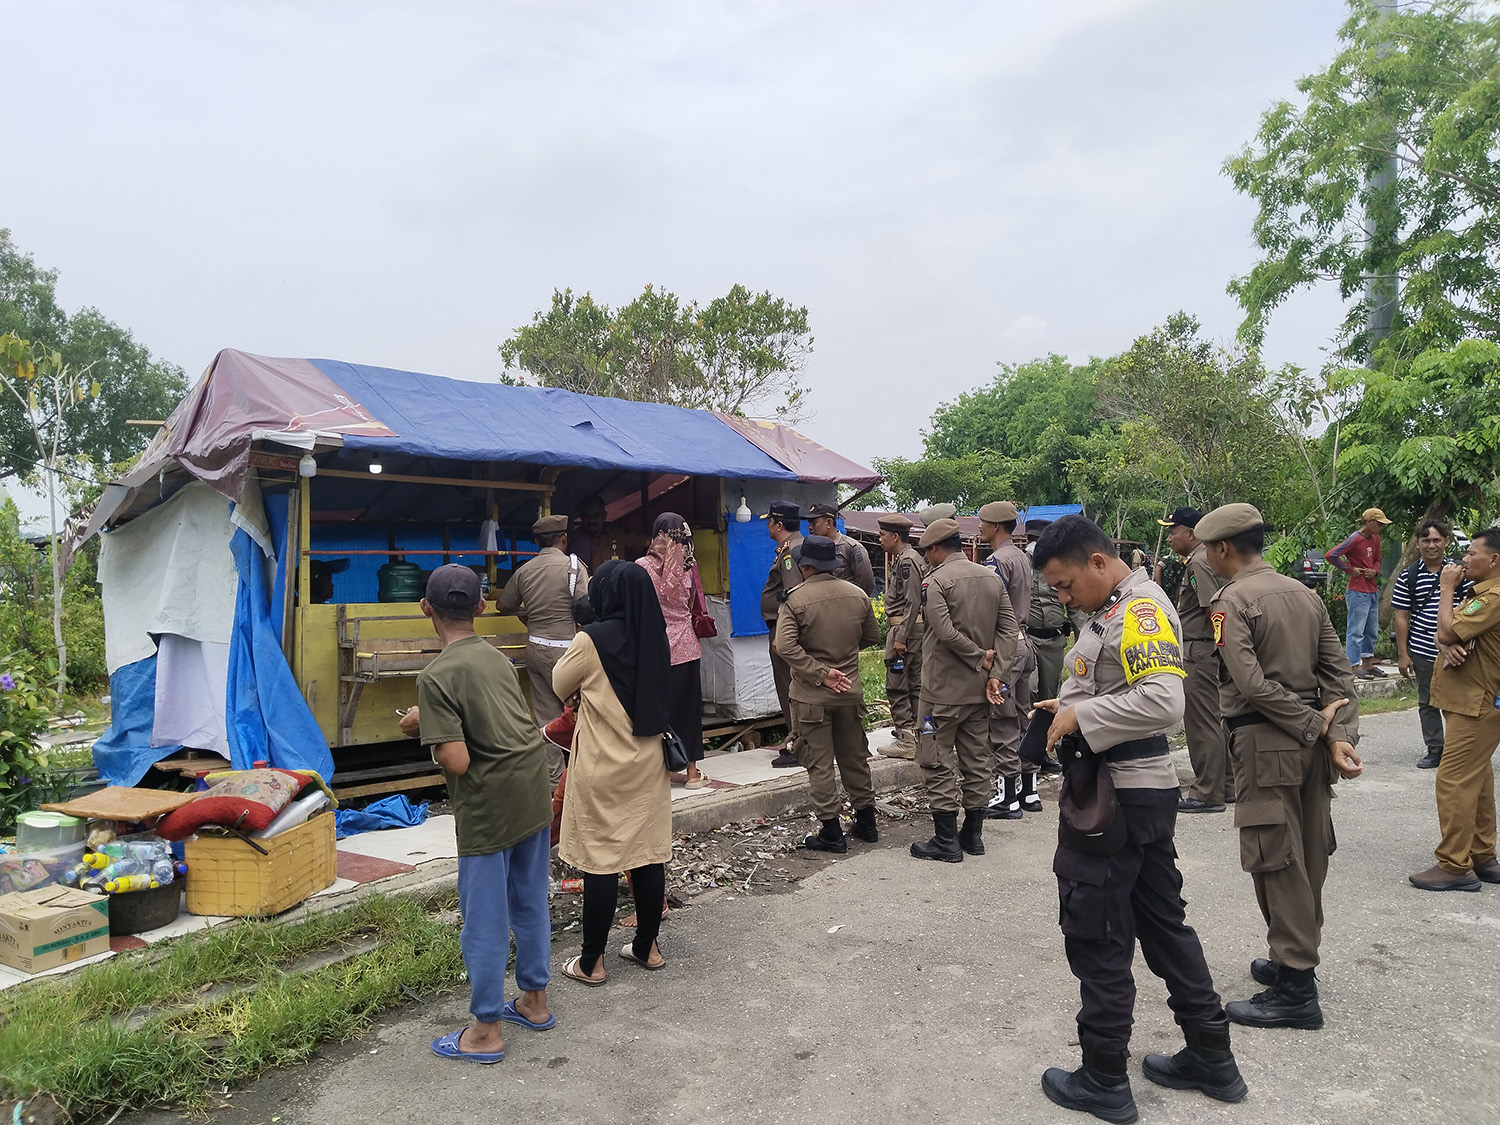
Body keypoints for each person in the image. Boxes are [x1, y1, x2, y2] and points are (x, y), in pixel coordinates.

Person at [1029, 515, 1245, 1123]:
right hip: (1137, 795)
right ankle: (1212, 1055)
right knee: (1161, 921)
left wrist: (1082, 717)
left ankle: (1102, 1077)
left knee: (1097, 930)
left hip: (1116, 797)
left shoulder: (1140, 610)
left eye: (1067, 586)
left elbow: (1163, 701)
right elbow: (1124, 684)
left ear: (1098, 562)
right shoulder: (1119, 606)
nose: (1065, 598)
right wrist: (1067, 705)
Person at [1197, 503, 1363, 1032]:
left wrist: (1317, 728)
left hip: (1267, 740)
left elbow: (1251, 686)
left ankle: (1296, 984)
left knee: (1277, 854)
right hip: (1311, 743)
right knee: (1309, 847)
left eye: (1207, 548)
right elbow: (1339, 677)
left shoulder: (1229, 602)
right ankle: (1293, 955)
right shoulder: (1305, 593)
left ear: (1223, 549)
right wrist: (1336, 735)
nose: (1204, 556)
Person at [400, 565, 554, 1063]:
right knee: (529, 899)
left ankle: (485, 1029)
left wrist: (427, 735)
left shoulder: (435, 675)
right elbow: (493, 712)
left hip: (489, 806)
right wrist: (431, 720)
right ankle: (534, 1001)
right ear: (482, 608)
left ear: (426, 609)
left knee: (484, 919)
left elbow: (458, 760)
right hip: (533, 791)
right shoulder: (498, 658)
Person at [554, 561, 674, 985]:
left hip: (603, 764)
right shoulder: (657, 637)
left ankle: (592, 962)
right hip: (648, 763)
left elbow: (558, 682)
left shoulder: (591, 638)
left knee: (601, 861)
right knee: (645, 853)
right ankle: (647, 947)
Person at [909, 517, 1015, 863]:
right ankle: (973, 835)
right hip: (979, 692)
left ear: (937, 548)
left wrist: (979, 659)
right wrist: (996, 673)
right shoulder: (991, 577)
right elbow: (1008, 629)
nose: (926, 557)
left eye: (927, 551)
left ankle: (946, 841)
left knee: (936, 759)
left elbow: (943, 630)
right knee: (977, 760)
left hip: (941, 692)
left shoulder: (935, 582)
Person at [774, 535, 883, 852]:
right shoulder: (858, 595)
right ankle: (867, 823)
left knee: (819, 764)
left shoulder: (795, 600)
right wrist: (842, 662)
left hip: (812, 698)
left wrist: (821, 673)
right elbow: (871, 637)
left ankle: (832, 833)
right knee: (855, 759)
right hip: (850, 692)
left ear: (805, 566)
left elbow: (785, 647)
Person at [1409, 527, 1500, 892]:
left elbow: (1446, 632)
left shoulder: (1491, 598)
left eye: (1472, 554)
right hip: (1475, 700)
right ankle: (1482, 855)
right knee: (1477, 780)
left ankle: (1454, 865)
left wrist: (1446, 588)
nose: (1463, 560)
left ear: (1494, 560)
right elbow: (1448, 633)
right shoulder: (1483, 596)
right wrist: (1446, 639)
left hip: (1476, 703)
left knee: (1454, 780)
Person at [495, 513, 589, 782]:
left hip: (536, 648)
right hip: (569, 651)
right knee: (582, 712)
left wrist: (530, 615)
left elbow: (503, 606)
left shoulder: (525, 570)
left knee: (546, 716)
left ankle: (555, 780)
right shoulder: (574, 567)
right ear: (564, 538)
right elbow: (586, 606)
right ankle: (583, 773)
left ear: (538, 542)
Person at [1152, 507, 1231, 813]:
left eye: (1174, 531)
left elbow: (1214, 610)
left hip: (1199, 650)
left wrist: (1222, 649)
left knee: (1201, 722)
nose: (1170, 537)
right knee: (1213, 719)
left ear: (1192, 533)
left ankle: (1208, 791)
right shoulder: (1200, 560)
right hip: (1202, 648)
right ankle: (1226, 784)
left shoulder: (1198, 563)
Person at [637, 513, 708, 788]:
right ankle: (691, 774)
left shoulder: (642, 567)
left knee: (657, 710)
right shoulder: (690, 567)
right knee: (689, 711)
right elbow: (694, 605)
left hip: (656, 649)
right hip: (688, 648)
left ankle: (660, 771)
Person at [979, 500, 1038, 819]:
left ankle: (1007, 798)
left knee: (1002, 720)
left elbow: (990, 608)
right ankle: (1030, 790)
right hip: (1024, 643)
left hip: (1005, 647)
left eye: (983, 522)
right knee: (1022, 717)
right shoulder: (1022, 556)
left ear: (997, 527)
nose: (980, 526)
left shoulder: (997, 560)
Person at [1392, 519, 1466, 769]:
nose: (1431, 545)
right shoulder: (1409, 575)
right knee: (1427, 700)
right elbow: (1401, 616)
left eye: (1436, 540)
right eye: (1426, 540)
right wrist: (1403, 654)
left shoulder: (1460, 572)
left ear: (1446, 541)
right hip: (1423, 649)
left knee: (1459, 699)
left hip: (1458, 649)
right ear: (1417, 543)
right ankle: (1435, 748)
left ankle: (1459, 749)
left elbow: (1472, 608)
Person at [760, 501, 804, 768]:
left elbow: (792, 596)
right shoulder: (793, 548)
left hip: (783, 628)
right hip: (782, 627)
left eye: (769, 521)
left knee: (790, 687)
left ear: (778, 525)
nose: (767, 526)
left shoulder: (791, 553)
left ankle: (797, 744)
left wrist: (781, 633)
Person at [1325, 507, 1392, 679]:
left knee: (1371, 630)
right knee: (1356, 630)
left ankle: (1368, 664)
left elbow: (1377, 559)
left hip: (1371, 589)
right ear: (1369, 522)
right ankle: (1353, 666)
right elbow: (1332, 555)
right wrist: (1350, 569)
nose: (1381, 528)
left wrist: (1375, 571)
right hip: (1357, 590)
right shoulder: (1355, 539)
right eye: (1378, 524)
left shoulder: (1375, 538)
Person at [878, 513, 925, 757]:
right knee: (915, 685)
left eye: (883, 535)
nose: (880, 539)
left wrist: (900, 637)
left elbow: (913, 601)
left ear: (895, 537)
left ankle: (906, 738)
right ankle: (916, 737)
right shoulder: (907, 558)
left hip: (904, 628)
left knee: (897, 685)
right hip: (911, 629)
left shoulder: (907, 561)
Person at [805, 502, 876, 594]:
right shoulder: (812, 548)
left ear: (829, 523)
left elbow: (866, 584)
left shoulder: (852, 548)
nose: (810, 527)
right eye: (809, 523)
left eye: (814, 523)